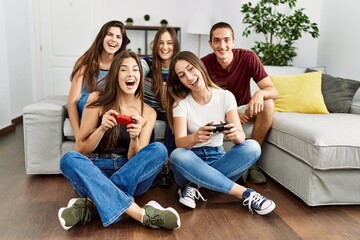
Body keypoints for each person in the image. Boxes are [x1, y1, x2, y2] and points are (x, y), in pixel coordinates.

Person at [58, 51, 181, 230]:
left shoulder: (147, 111)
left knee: (159, 150)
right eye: (124, 70)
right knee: (68, 159)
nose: (131, 74)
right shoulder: (97, 100)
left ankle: (91, 202)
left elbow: (136, 159)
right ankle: (142, 214)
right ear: (115, 74)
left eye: (135, 70)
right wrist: (101, 128)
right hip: (96, 168)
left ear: (140, 75)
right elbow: (82, 149)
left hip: (129, 172)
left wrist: (134, 138)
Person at [166, 51, 275, 215]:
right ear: (179, 80)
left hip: (218, 158)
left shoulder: (225, 96)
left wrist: (233, 134)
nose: (189, 77)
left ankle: (193, 186)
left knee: (252, 146)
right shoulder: (181, 104)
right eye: (182, 75)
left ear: (200, 66)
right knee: (177, 155)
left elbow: (240, 138)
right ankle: (246, 194)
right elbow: (180, 142)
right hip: (191, 163)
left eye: (190, 69)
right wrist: (195, 138)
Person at [201, 22, 279, 184]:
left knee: (268, 103)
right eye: (217, 41)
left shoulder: (248, 57)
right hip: (217, 111)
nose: (222, 45)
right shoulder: (203, 64)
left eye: (226, 40)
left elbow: (273, 91)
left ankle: (252, 163)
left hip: (244, 108)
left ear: (234, 41)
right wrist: (230, 114)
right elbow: (202, 101)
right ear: (210, 43)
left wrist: (260, 93)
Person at [68, 20, 130, 141]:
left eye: (118, 37)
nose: (113, 39)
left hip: (110, 106)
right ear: (102, 37)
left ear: (122, 42)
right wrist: (78, 136)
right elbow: (72, 102)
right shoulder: (85, 62)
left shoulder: (121, 64)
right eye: (110, 34)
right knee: (97, 96)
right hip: (88, 104)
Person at [140, 27, 180, 186]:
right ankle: (150, 165)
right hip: (150, 107)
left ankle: (167, 166)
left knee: (173, 118)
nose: (165, 47)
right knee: (147, 121)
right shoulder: (148, 62)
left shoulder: (179, 64)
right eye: (161, 43)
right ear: (155, 45)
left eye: (169, 43)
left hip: (170, 108)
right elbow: (138, 72)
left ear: (175, 45)